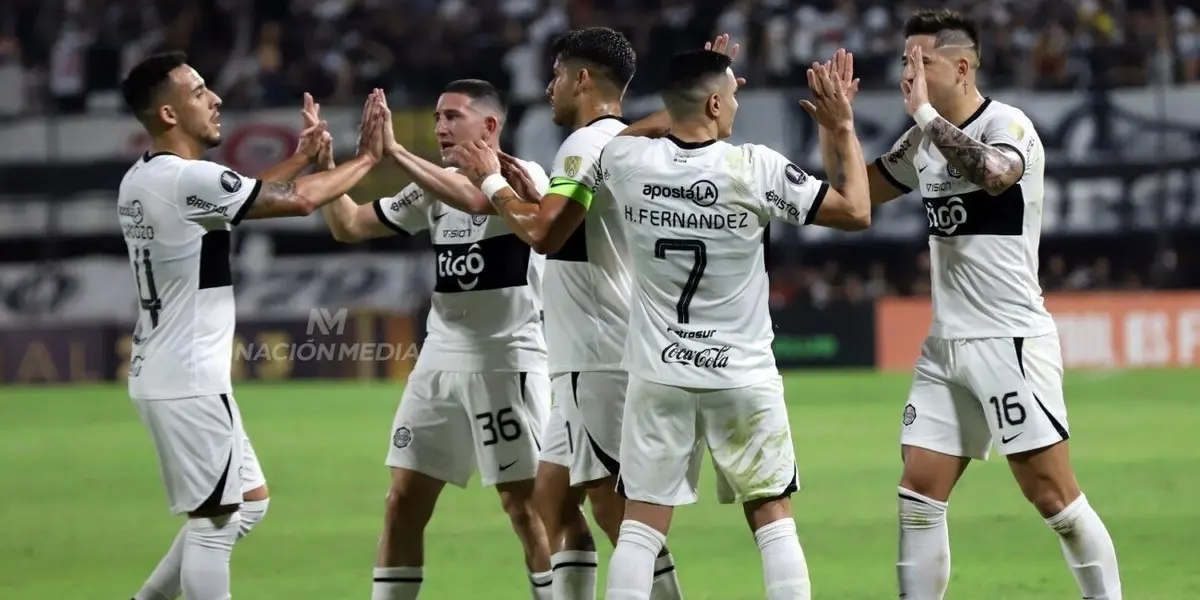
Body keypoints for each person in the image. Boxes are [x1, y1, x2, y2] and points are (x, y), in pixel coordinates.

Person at [814, 9, 1122, 600]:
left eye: (921, 62)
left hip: (1007, 340)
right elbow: (856, 194)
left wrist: (925, 117)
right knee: (919, 491)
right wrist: (839, 127)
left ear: (960, 66)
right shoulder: (919, 143)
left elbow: (997, 175)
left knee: (1053, 496)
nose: (909, 72)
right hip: (946, 344)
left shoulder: (1010, 124)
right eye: (905, 60)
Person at [593, 49, 872, 600]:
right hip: (740, 375)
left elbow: (628, 134)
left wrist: (679, 100)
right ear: (716, 101)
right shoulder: (753, 167)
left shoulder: (623, 163)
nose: (738, 104)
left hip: (658, 376)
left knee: (640, 526)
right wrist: (841, 126)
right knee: (772, 515)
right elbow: (857, 210)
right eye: (732, 95)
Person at [117, 52, 384, 600]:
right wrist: (369, 158)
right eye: (198, 91)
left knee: (249, 502)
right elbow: (302, 201)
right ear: (168, 114)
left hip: (169, 371)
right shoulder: (188, 178)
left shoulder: (147, 177)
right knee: (214, 524)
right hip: (188, 378)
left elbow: (239, 195)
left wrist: (301, 157)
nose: (214, 98)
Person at [448, 27, 684, 600]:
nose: (548, 87)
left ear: (582, 78)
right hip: (594, 353)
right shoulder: (627, 143)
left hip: (596, 357)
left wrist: (491, 180)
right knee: (550, 503)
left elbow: (545, 236)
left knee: (618, 514)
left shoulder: (582, 145)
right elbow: (570, 225)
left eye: (555, 75)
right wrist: (530, 194)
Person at [315, 84, 554, 600]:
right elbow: (350, 225)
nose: (441, 126)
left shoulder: (525, 175)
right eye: (439, 116)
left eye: (453, 117)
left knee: (525, 508)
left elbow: (473, 197)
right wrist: (327, 168)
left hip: (506, 361)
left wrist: (394, 152)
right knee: (401, 500)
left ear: (489, 127)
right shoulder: (433, 186)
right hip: (439, 362)